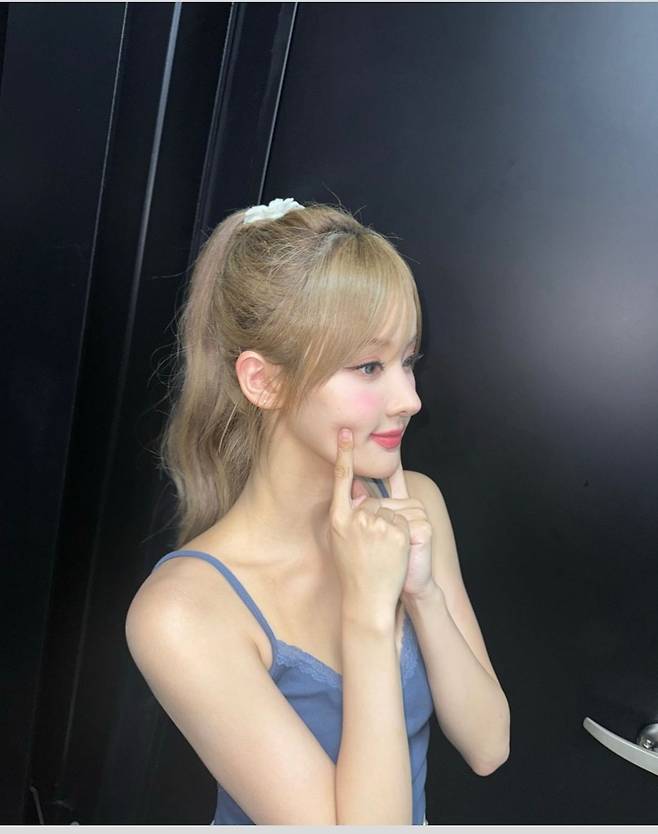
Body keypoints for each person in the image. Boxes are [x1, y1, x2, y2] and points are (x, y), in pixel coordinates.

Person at [125, 198, 509, 825]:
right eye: (369, 366)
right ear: (263, 381)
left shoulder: (415, 505)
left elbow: (490, 746)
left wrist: (422, 593)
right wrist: (368, 612)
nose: (410, 399)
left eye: (407, 361)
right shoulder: (181, 612)